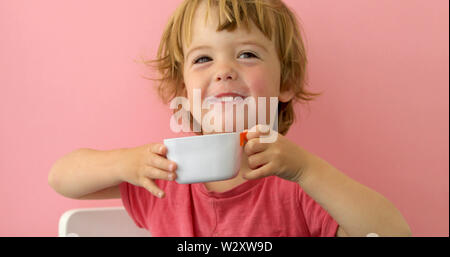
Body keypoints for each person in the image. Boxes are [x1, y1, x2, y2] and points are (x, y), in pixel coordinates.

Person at [48, 0, 411, 237]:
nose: (223, 71)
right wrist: (127, 161)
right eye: (203, 59)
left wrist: (307, 171)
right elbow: (62, 177)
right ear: (181, 87)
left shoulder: (298, 182)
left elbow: (394, 233)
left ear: (285, 82)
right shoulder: (163, 173)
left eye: (248, 54)